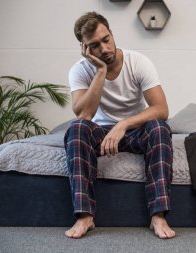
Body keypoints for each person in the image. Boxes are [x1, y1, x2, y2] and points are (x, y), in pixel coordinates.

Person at [64, 11, 175, 239]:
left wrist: (123, 124)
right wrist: (100, 72)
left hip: (134, 130)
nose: (104, 49)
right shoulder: (80, 70)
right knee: (76, 129)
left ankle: (158, 215)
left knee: (160, 128)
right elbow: (84, 115)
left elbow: (161, 109)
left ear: (112, 34)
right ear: (85, 49)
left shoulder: (138, 62)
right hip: (101, 134)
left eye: (106, 40)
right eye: (94, 46)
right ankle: (85, 215)